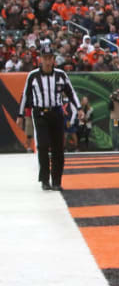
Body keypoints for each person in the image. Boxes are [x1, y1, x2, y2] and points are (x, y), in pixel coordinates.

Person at [16, 44, 80, 191]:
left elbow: (71, 92)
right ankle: (45, 180)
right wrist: (20, 115)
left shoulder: (61, 74)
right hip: (40, 114)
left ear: (53, 59)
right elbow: (25, 95)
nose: (47, 61)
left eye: (50, 58)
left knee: (58, 148)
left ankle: (56, 181)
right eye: (45, 58)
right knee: (43, 146)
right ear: (40, 59)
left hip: (56, 113)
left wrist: (79, 108)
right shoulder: (33, 75)